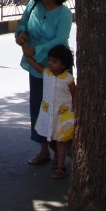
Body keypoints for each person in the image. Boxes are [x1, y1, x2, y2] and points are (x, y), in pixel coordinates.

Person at [15, 0, 73, 166]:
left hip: (57, 68)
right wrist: (21, 33)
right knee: (38, 109)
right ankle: (43, 151)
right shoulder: (34, 5)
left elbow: (60, 39)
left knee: (59, 111)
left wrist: (36, 49)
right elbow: (22, 22)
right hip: (35, 66)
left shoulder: (64, 13)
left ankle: (60, 153)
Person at [21, 44, 76, 179]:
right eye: (50, 60)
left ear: (63, 65)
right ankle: (57, 156)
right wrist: (27, 54)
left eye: (55, 61)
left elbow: (75, 95)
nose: (50, 63)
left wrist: (75, 111)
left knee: (61, 141)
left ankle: (61, 167)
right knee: (50, 138)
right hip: (47, 115)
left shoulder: (69, 79)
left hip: (62, 116)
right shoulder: (46, 73)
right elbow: (34, 65)